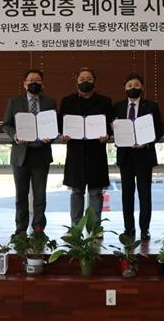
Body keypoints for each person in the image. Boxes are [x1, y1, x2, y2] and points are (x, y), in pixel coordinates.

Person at [2, 68, 57, 235]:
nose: (34, 83)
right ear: (24, 84)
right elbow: (6, 125)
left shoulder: (50, 102)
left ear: (43, 84)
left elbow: (55, 126)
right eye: (31, 80)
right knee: (21, 195)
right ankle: (20, 228)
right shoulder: (14, 102)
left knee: (40, 194)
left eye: (37, 80)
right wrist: (15, 135)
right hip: (21, 154)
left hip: (41, 153)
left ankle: (38, 227)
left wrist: (51, 137)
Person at [60, 68, 114, 225]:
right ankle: (75, 228)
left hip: (96, 152)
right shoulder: (67, 101)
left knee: (96, 192)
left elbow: (111, 125)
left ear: (94, 82)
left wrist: (107, 135)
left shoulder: (105, 101)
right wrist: (63, 134)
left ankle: (95, 228)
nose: (85, 82)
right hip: (75, 153)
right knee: (76, 192)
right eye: (82, 79)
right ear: (77, 82)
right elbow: (60, 124)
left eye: (89, 79)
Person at [114, 73, 164, 241]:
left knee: (145, 195)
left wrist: (147, 143)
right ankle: (129, 228)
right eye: (129, 86)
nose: (132, 88)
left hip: (144, 155)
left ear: (142, 87)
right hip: (125, 156)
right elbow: (113, 128)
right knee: (127, 195)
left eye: (136, 85)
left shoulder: (151, 106)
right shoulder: (118, 106)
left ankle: (144, 229)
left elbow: (159, 130)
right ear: (124, 88)